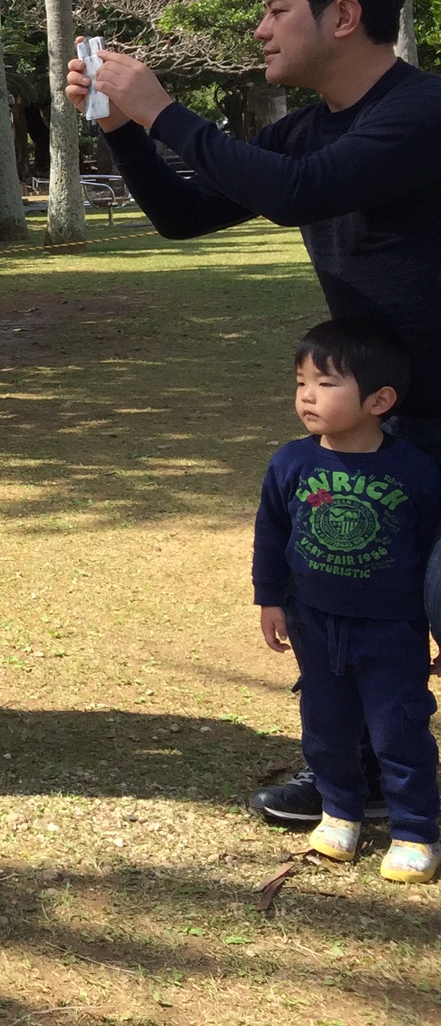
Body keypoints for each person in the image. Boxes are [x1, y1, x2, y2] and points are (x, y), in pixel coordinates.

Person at [67, 0, 441, 828]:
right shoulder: (311, 128)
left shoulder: (420, 113)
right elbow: (187, 216)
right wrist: (124, 133)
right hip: (376, 421)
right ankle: (357, 777)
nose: (261, 30)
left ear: (343, 15)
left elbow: (298, 196)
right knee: (351, 596)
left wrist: (160, 107)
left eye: (276, 10)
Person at [254, 320, 439, 882]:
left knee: (399, 731)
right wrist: (270, 599)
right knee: (326, 727)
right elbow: (272, 534)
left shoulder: (415, 471)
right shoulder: (290, 463)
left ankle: (414, 831)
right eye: (301, 382)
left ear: (380, 400)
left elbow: (435, 556)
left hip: (391, 631)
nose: (307, 395)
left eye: (327, 383)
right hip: (315, 623)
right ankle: (340, 812)